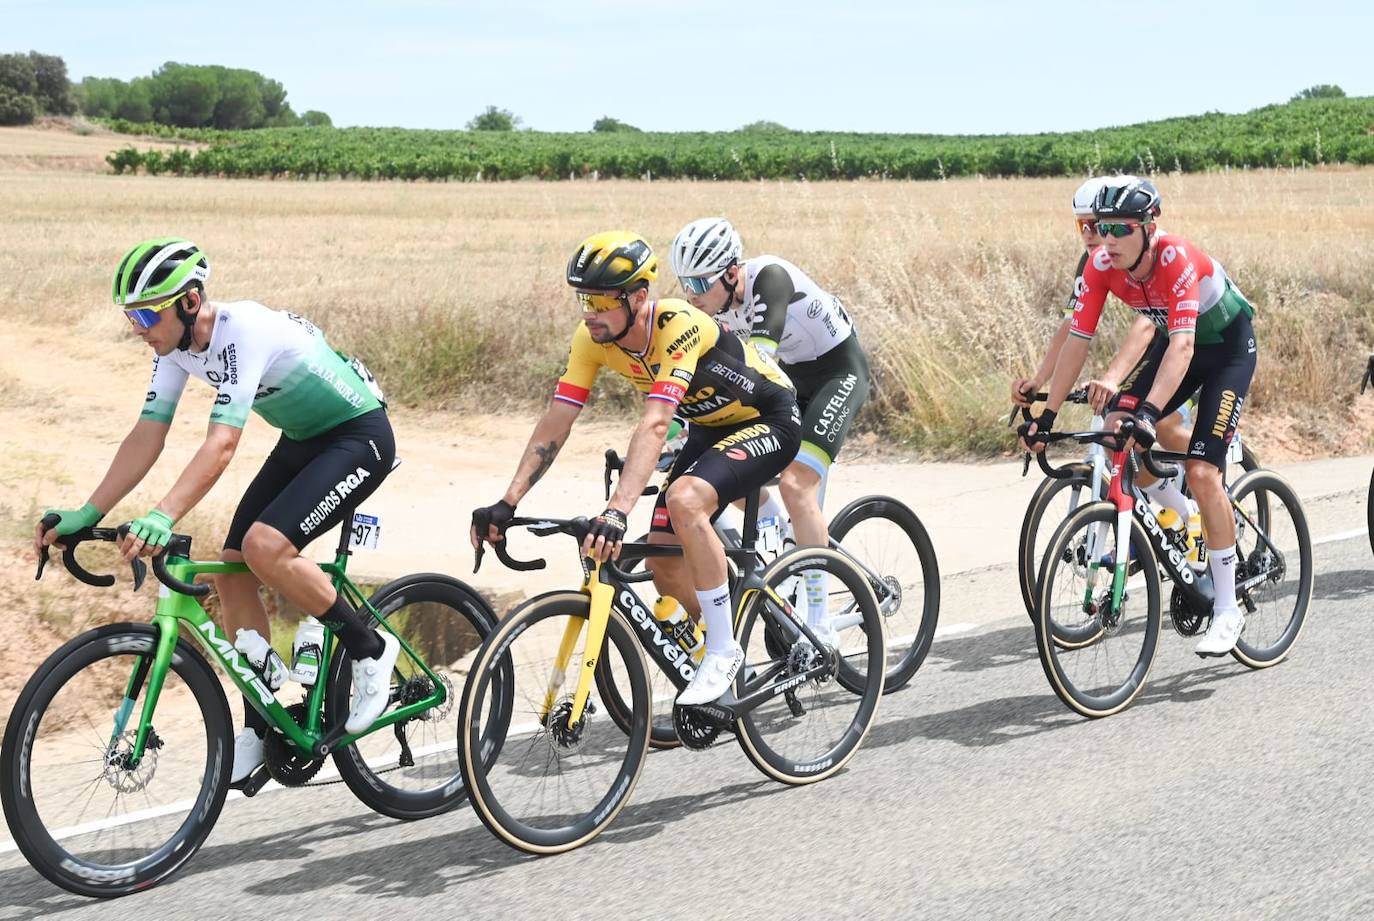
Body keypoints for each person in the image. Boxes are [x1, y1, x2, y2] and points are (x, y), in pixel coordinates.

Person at [34, 238, 400, 784]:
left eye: (144, 313)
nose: (136, 327)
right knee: (232, 571)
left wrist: (162, 515)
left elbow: (222, 444)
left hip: (357, 436)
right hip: (303, 438)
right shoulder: (174, 349)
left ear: (189, 301)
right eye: (130, 315)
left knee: (265, 548)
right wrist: (88, 511)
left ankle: (370, 648)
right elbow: (147, 435)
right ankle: (262, 723)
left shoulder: (243, 329)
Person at [471, 231, 801, 705]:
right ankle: (724, 624)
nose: (588, 313)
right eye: (583, 299)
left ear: (639, 297)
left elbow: (656, 422)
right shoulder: (593, 339)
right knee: (663, 563)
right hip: (711, 428)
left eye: (600, 301)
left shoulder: (677, 325)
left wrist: (617, 511)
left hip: (768, 417)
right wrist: (508, 502)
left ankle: (724, 653)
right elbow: (558, 419)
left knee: (685, 500)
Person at [1020, 179, 1258, 655]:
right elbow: (1076, 341)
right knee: (1113, 430)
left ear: (1148, 228)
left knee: (1202, 470)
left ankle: (1229, 608)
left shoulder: (1176, 258)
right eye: (1099, 228)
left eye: (1118, 229)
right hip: (1179, 350)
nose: (1106, 239)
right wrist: (1044, 419)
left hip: (1226, 351)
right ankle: (1172, 516)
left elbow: (1183, 345)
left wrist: (1148, 413)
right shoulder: (1101, 263)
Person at [668, 217, 868, 637]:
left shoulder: (769, 279)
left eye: (701, 283)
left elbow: (755, 364)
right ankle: (780, 537)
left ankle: (819, 621)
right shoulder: (712, 308)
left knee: (797, 486)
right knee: (733, 475)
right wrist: (675, 428)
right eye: (685, 283)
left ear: (730, 271)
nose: (691, 295)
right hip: (788, 383)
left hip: (836, 375)